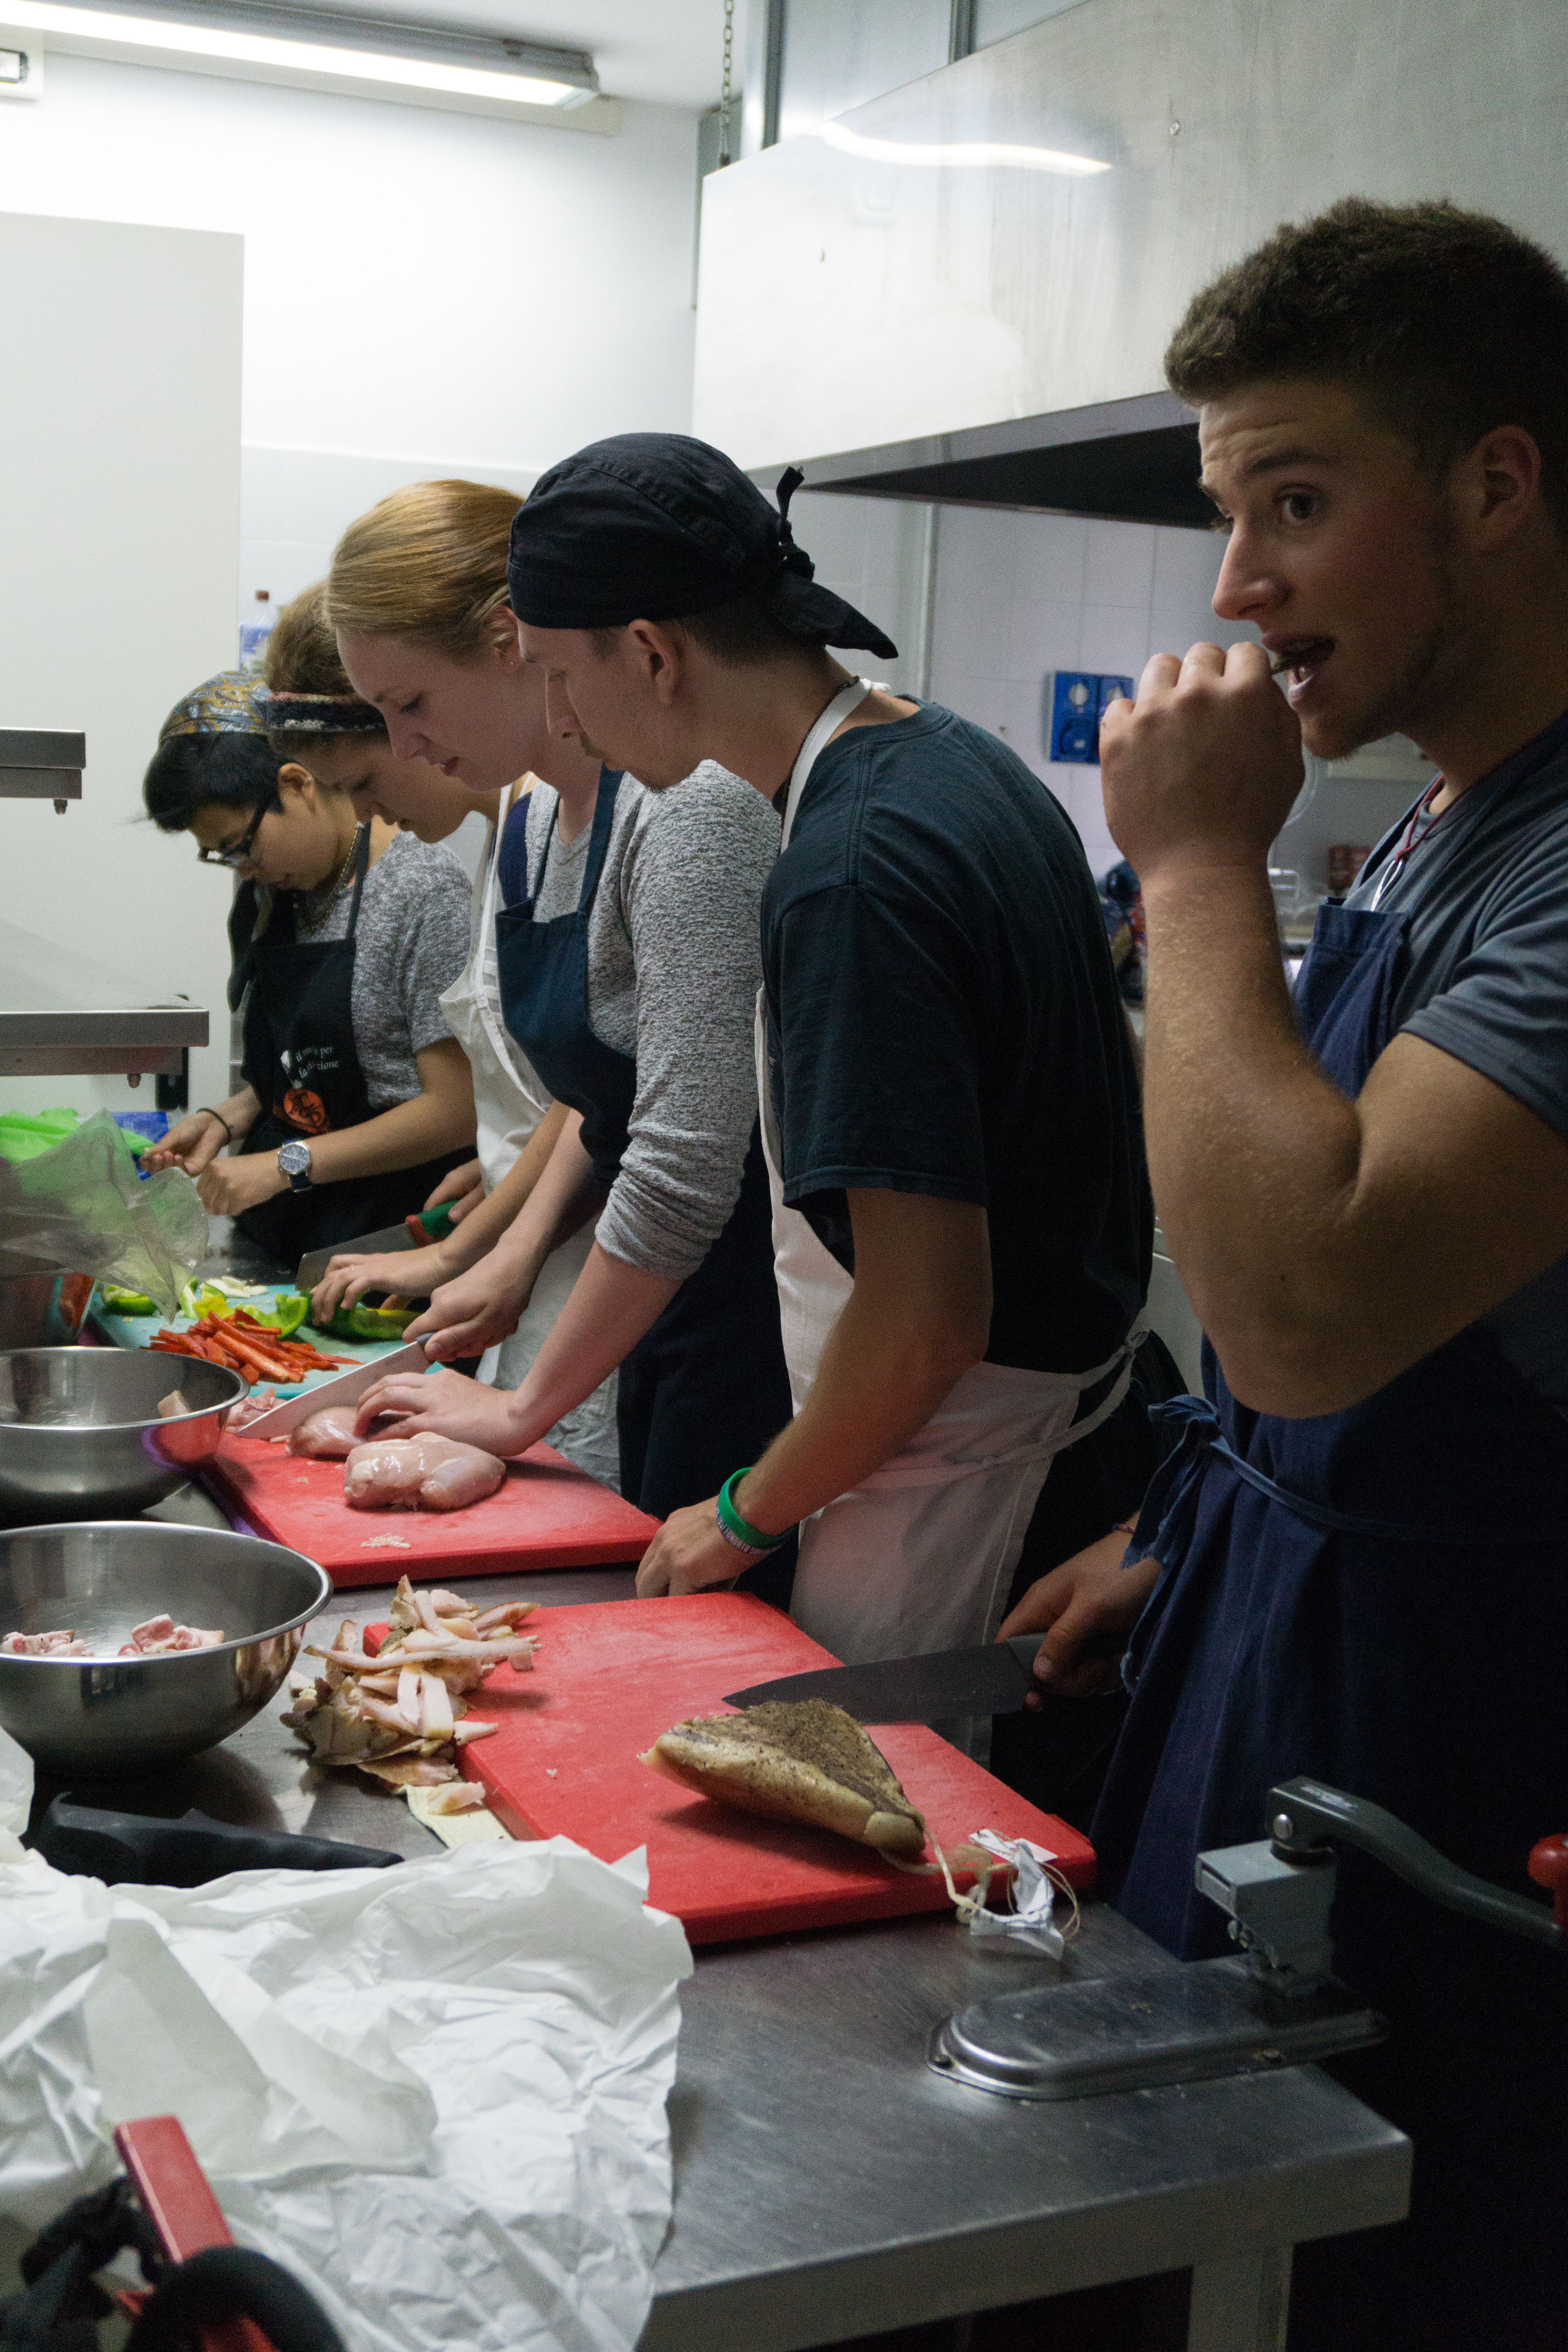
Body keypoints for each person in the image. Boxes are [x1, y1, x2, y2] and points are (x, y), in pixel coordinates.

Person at [1005, 199, 1568, 2350]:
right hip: (1301, 1644)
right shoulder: (1445, 815)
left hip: (1462, 1743)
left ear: (1497, 483)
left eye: (1298, 504)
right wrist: (1198, 1526)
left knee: (1371, 2282)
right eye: (1226, 513)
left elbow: (1309, 1302)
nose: (1235, 587)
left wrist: (1192, 860)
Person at [494, 432, 1150, 1724]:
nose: (557, 723)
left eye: (560, 677)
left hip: (973, 1491)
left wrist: (738, 1513)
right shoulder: (951, 761)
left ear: (653, 652)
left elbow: (925, 1321)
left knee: (943, 1865)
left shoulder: (850, 872)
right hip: (1042, 1442)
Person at [329, 482, 795, 1534]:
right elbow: (607, 1095)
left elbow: (682, 1149)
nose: (403, 750)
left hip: (736, 1321)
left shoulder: (685, 808)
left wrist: (527, 1390)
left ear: (509, 641)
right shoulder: (536, 820)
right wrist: (501, 1254)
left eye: (411, 705)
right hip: (634, 1310)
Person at [260, 568, 617, 1486]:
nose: (369, 813)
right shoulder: (513, 836)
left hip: (600, 1280)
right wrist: (495, 1177)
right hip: (526, 1276)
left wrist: (483, 1244)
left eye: (369, 775)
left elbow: (615, 1091)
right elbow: (573, 1090)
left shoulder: (612, 816)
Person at [141, 668, 475, 1268]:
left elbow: (454, 1110)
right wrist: (231, 1115)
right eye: (222, 857)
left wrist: (282, 1164)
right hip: (280, 1234)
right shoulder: (274, 895)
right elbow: (319, 1069)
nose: (242, 869)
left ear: (296, 784)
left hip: (385, 1239)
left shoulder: (420, 887)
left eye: (242, 845)